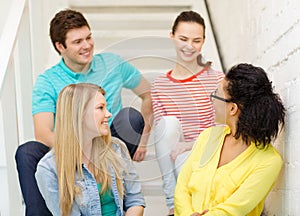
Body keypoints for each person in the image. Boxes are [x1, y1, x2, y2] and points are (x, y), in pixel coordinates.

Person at [15, 9, 152, 215]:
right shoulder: (48, 81)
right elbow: (43, 134)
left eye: (88, 37)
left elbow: (148, 94)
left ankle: (112, 193)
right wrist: (78, 149)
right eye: (78, 41)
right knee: (27, 152)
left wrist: (143, 141)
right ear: (60, 46)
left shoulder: (113, 63)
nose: (87, 45)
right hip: (68, 148)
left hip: (106, 140)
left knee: (130, 118)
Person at [174, 63, 286, 216]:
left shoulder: (268, 161)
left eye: (216, 93)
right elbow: (182, 187)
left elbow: (233, 210)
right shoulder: (208, 137)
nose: (212, 99)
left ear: (232, 109)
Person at [151, 10, 224, 215]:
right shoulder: (159, 85)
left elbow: (223, 128)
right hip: (175, 154)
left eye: (196, 40)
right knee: (167, 124)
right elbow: (163, 135)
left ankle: (178, 207)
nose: (189, 46)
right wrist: (181, 147)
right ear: (172, 36)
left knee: (184, 162)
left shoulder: (217, 80)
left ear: (203, 42)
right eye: (183, 38)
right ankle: (173, 204)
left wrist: (191, 144)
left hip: (205, 152)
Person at [35, 83, 145, 216]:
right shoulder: (48, 169)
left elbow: (135, 200)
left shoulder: (117, 148)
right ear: (79, 114)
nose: (109, 114)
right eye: (101, 108)